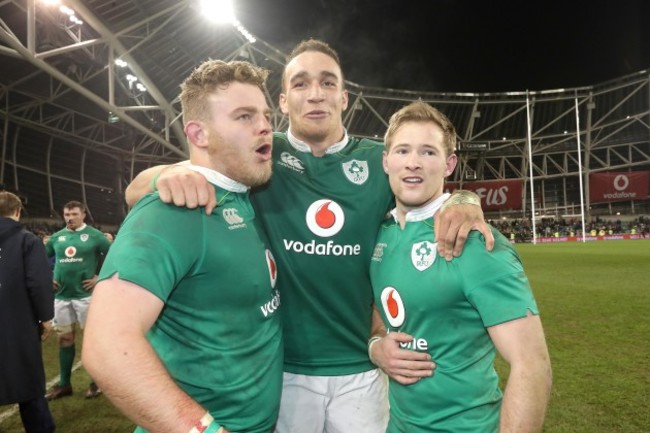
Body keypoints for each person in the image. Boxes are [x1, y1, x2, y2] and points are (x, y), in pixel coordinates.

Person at [125, 39, 494, 433]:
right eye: (301, 84)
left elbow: (429, 186)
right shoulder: (260, 154)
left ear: (345, 97)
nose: (315, 94)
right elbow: (136, 189)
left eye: (328, 83)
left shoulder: (379, 160)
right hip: (284, 373)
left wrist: (465, 198)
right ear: (283, 102)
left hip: (363, 371)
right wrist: (168, 175)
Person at [82, 59, 282, 433]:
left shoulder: (241, 196)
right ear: (199, 134)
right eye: (244, 116)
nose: (264, 126)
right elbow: (107, 345)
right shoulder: (171, 211)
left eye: (265, 115)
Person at [369, 100, 552, 432]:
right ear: (386, 161)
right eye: (402, 151)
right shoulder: (381, 234)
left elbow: (532, 365)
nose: (413, 163)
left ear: (449, 163)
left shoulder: (476, 244)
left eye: (428, 152)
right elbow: (382, 309)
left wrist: (467, 199)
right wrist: (376, 346)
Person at [0, 191, 56, 433]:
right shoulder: (27, 240)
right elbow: (38, 282)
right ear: (17, 211)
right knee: (29, 383)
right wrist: (46, 317)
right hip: (18, 323)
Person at [44, 201, 112, 400]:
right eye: (66, 214)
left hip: (85, 297)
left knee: (92, 340)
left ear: (83, 214)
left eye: (74, 214)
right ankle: (64, 385)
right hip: (61, 297)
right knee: (65, 339)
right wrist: (48, 277)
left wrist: (99, 275)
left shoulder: (95, 236)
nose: (69, 217)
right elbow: (40, 259)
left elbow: (114, 254)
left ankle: (96, 382)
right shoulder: (56, 238)